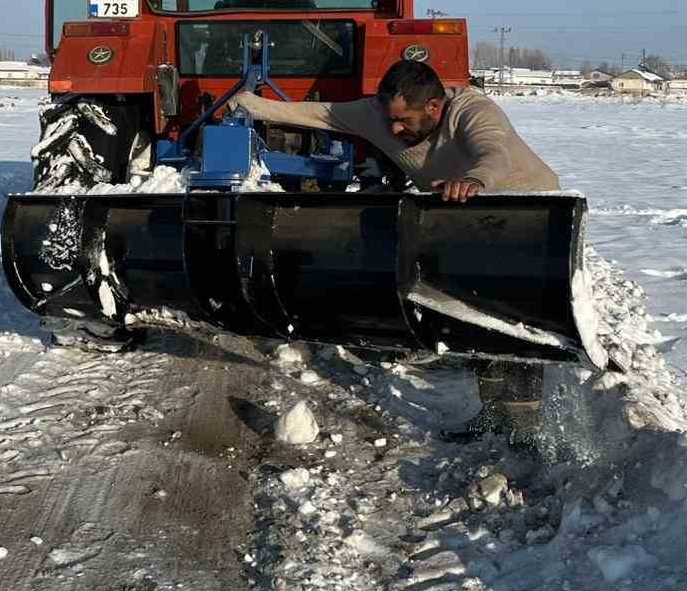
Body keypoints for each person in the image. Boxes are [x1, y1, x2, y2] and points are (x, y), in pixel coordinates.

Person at [232, 59, 562, 440]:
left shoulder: (471, 111)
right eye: (390, 120)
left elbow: (495, 153)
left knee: (514, 319)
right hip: (472, 215)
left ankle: (523, 433)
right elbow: (322, 114)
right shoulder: (378, 116)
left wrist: (473, 179)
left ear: (434, 108)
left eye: (404, 121)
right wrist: (250, 104)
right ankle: (492, 420)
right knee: (477, 314)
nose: (393, 130)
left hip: (532, 213)